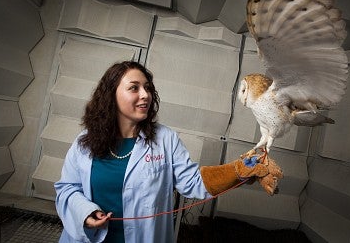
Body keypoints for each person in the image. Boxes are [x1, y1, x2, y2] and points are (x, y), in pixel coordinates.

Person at [54, 60, 282, 243]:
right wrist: (85, 212)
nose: (145, 95)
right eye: (134, 88)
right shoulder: (84, 143)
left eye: (147, 88)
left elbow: (192, 182)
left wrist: (239, 169)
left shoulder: (165, 139)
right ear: (111, 95)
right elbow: (67, 189)